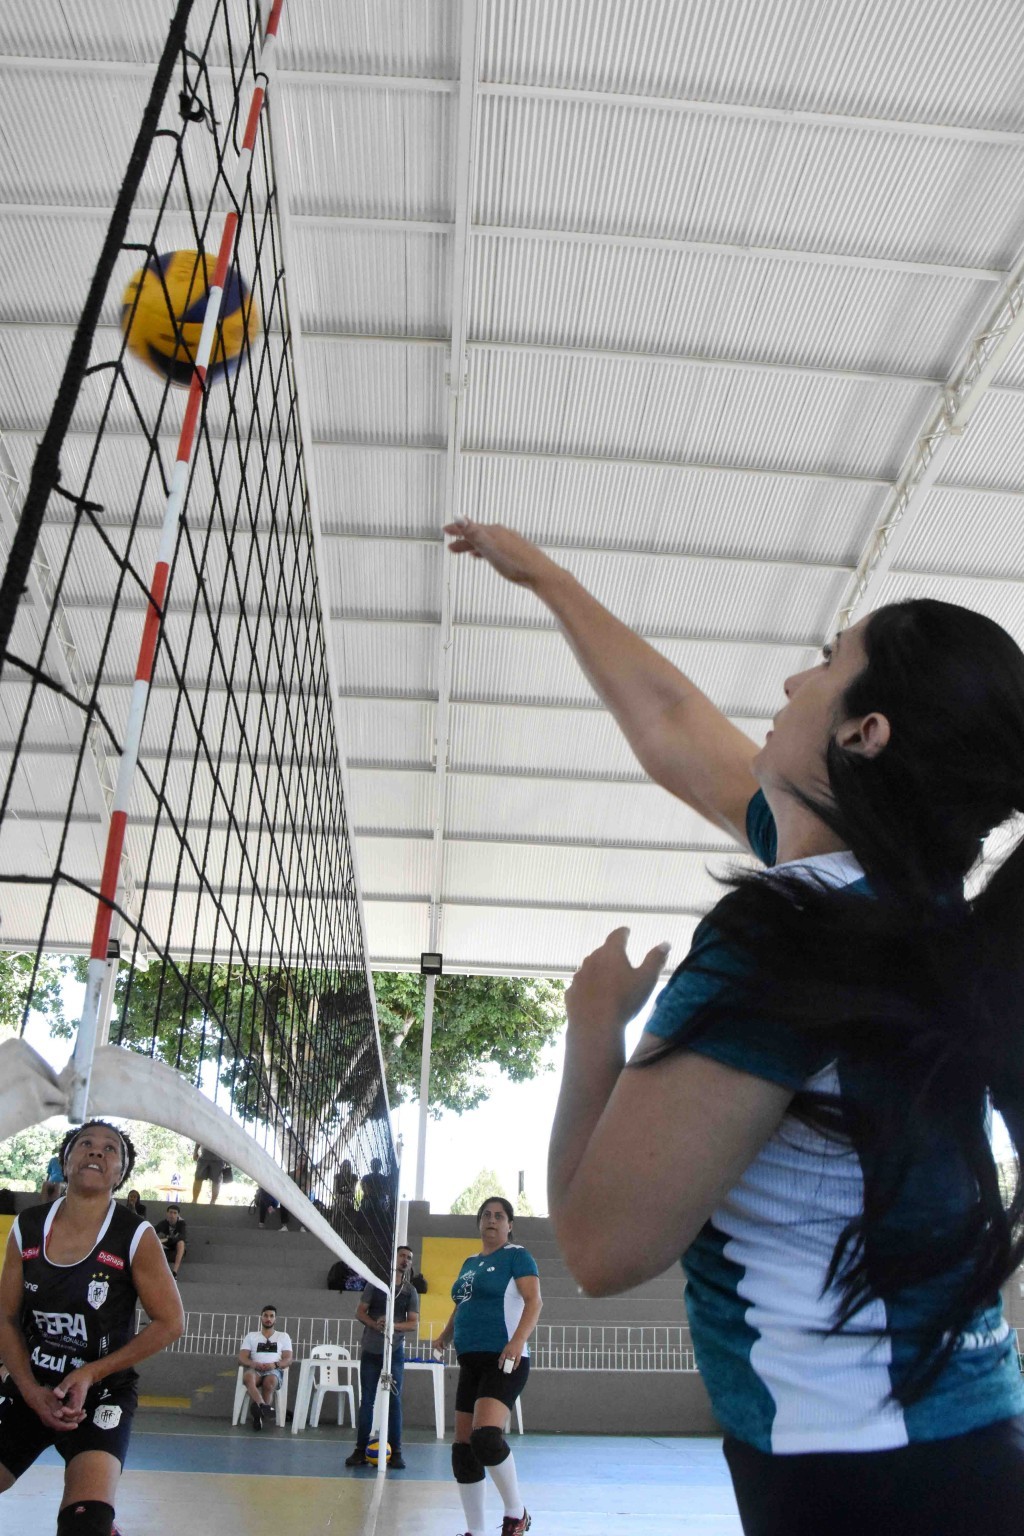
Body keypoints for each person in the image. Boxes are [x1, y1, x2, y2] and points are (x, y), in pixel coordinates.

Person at [446, 519, 1024, 1536]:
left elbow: (601, 1246)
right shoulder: (913, 911)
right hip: (959, 1445)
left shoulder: (789, 939)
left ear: (865, 731)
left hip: (855, 1481)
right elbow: (675, 727)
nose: (795, 681)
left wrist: (593, 1027)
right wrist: (548, 577)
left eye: (830, 662)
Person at [0, 1119, 184, 1535]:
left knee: (87, 1524)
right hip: (35, 1385)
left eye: (110, 1149)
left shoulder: (135, 1235)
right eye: (85, 1144)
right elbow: (5, 1317)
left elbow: (171, 1323)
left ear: (120, 1174)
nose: (97, 1152)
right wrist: (30, 1390)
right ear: (64, 1163)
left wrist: (90, 1372)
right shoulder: (27, 1226)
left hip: (100, 1393)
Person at [435, 1197, 541, 1536]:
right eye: (486, 1215)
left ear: (509, 1225)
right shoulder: (469, 1262)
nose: (492, 1220)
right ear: (479, 1223)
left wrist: (518, 1341)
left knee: (486, 1438)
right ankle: (476, 1531)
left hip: (504, 1360)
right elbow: (462, 1304)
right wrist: (444, 1336)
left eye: (499, 1216)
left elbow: (534, 1301)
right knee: (463, 1451)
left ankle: (516, 1513)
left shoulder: (517, 1256)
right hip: (470, 1361)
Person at [345, 1249, 419, 1470]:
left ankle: (396, 1452)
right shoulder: (376, 1285)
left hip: (394, 1351)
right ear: (393, 1259)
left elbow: (413, 1323)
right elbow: (360, 1312)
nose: (405, 1261)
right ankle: (360, 1450)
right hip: (371, 1350)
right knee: (367, 1401)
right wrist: (374, 1323)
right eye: (402, 1256)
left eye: (409, 1258)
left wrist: (392, 1326)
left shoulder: (409, 1291)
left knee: (394, 1401)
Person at [238, 1306, 292, 1431]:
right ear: (261, 1318)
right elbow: (241, 1358)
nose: (268, 1319)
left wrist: (275, 1365)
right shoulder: (251, 1336)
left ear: (275, 1319)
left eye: (271, 1316)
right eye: (266, 1315)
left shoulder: (283, 1336)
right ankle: (263, 1406)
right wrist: (253, 1364)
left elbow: (288, 1359)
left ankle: (259, 1416)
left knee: (270, 1382)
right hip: (256, 1370)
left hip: (274, 1370)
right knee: (248, 1377)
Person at [154, 1205, 186, 1279]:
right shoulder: (163, 1223)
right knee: (156, 1243)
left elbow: (182, 1237)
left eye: (175, 1213)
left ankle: (174, 1272)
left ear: (178, 1215)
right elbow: (152, 1231)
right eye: (171, 1212)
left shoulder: (181, 1224)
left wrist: (166, 1239)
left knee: (181, 1243)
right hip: (166, 1246)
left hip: (176, 1247)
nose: (172, 1215)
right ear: (167, 1213)